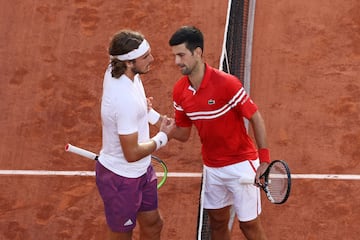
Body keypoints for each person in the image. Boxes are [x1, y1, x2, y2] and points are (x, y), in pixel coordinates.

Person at [168, 26, 269, 240]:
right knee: (217, 223)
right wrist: (160, 124)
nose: (177, 62)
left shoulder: (227, 84)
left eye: (181, 55)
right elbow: (183, 133)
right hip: (212, 168)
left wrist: (265, 161)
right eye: (175, 56)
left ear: (197, 52)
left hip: (241, 164)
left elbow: (256, 117)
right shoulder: (180, 91)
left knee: (249, 226)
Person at [96, 29, 175, 240]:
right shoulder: (124, 99)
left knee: (153, 224)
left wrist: (156, 117)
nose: (152, 59)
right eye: (145, 57)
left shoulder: (122, 70)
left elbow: (138, 106)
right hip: (121, 178)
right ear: (129, 62)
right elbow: (131, 153)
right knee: (122, 235)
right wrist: (162, 137)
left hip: (141, 171)